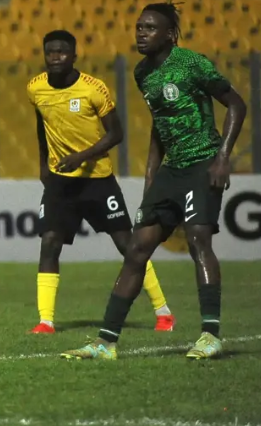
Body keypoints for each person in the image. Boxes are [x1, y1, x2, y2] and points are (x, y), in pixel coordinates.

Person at [63, 3, 247, 360]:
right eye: (138, 27)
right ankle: (105, 342)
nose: (141, 33)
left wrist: (223, 158)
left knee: (198, 240)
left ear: (168, 34)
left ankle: (210, 335)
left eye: (149, 28)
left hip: (203, 162)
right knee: (136, 249)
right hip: (170, 171)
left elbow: (236, 104)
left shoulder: (191, 64)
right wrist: (151, 175)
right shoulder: (142, 72)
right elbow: (159, 124)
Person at [27, 30, 175, 334]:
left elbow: (116, 134)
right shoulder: (35, 88)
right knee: (50, 243)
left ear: (74, 55)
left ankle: (163, 311)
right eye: (50, 52)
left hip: (97, 181)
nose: (55, 57)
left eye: (62, 52)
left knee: (128, 245)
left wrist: (83, 156)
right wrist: (43, 164)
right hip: (60, 181)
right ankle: (45, 321)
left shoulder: (94, 89)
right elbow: (42, 126)